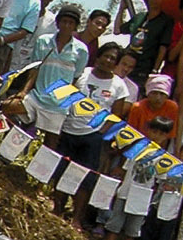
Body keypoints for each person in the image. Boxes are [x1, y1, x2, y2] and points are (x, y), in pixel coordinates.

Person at [53, 42, 129, 229]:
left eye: (113, 59)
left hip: (93, 137)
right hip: (69, 129)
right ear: (99, 56)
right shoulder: (82, 74)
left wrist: (102, 132)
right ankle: (57, 210)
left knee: (85, 179)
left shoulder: (119, 85)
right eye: (106, 56)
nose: (108, 60)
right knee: (61, 172)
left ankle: (77, 218)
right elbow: (64, 95)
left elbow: (117, 114)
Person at [5, 1, 88, 145]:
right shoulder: (43, 41)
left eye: (71, 23)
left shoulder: (81, 50)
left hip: (58, 104)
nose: (67, 26)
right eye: (64, 21)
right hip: (37, 96)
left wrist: (66, 103)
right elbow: (34, 69)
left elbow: (75, 78)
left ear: (75, 26)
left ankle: (38, 167)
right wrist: (24, 91)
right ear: (58, 23)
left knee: (50, 144)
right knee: (6, 107)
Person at [101, 114, 174, 240]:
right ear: (148, 131)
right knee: (115, 225)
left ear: (166, 136)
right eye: (155, 132)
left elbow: (160, 180)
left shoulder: (163, 157)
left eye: (162, 134)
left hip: (143, 197)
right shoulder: (137, 148)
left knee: (133, 230)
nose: (157, 136)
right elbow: (125, 169)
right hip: (126, 192)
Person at [118, 0, 176, 83]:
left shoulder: (166, 21)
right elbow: (117, 30)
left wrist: (155, 70)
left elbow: (163, 47)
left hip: (145, 68)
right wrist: (121, 9)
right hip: (128, 65)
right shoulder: (140, 17)